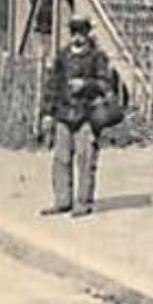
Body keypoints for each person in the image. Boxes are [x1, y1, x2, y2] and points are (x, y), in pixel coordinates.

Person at [38, 16, 113, 218]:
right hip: (63, 112)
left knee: (85, 158)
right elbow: (52, 86)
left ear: (88, 34)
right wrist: (46, 113)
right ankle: (62, 200)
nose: (77, 37)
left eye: (81, 32)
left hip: (87, 114)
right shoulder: (62, 57)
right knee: (61, 158)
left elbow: (106, 84)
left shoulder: (97, 57)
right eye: (74, 32)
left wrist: (86, 84)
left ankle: (83, 202)